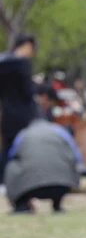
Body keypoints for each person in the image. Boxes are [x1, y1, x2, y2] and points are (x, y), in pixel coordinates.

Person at [5, 119, 82, 214]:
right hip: (62, 185)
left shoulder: (23, 134)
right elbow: (77, 156)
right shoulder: (60, 131)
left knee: (11, 166)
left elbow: (11, 155)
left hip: (30, 188)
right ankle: (57, 205)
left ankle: (22, 205)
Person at [0, 34, 37, 184]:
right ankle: (24, 181)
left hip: (7, 113)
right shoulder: (23, 65)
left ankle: (3, 180)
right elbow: (28, 92)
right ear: (27, 46)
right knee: (24, 148)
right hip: (24, 114)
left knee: (7, 148)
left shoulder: (2, 63)